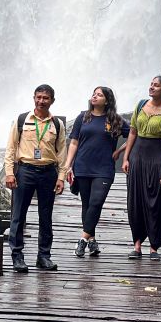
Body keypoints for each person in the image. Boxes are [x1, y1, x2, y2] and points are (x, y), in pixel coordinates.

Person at [4, 84, 68, 272]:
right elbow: (11, 147)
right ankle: (17, 257)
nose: (41, 101)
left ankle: (44, 256)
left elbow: (62, 152)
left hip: (48, 172)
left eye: (45, 98)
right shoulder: (22, 120)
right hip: (25, 171)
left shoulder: (57, 124)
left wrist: (61, 177)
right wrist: (9, 172)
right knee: (18, 215)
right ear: (33, 98)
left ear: (52, 101)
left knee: (45, 216)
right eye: (38, 97)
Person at [64, 86, 130, 257]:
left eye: (99, 95)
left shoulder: (115, 119)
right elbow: (74, 142)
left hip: (104, 168)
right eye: (94, 93)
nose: (95, 96)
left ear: (107, 100)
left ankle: (83, 240)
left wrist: (120, 151)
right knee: (87, 205)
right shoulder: (83, 117)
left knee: (96, 202)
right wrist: (68, 165)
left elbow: (133, 135)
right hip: (83, 166)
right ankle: (92, 240)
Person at [121, 75, 161, 261]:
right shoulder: (140, 106)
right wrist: (126, 157)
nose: (152, 87)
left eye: (157, 85)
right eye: (151, 84)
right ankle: (136, 245)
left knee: (156, 201)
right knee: (135, 200)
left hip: (156, 158)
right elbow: (132, 132)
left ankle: (154, 246)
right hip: (137, 156)